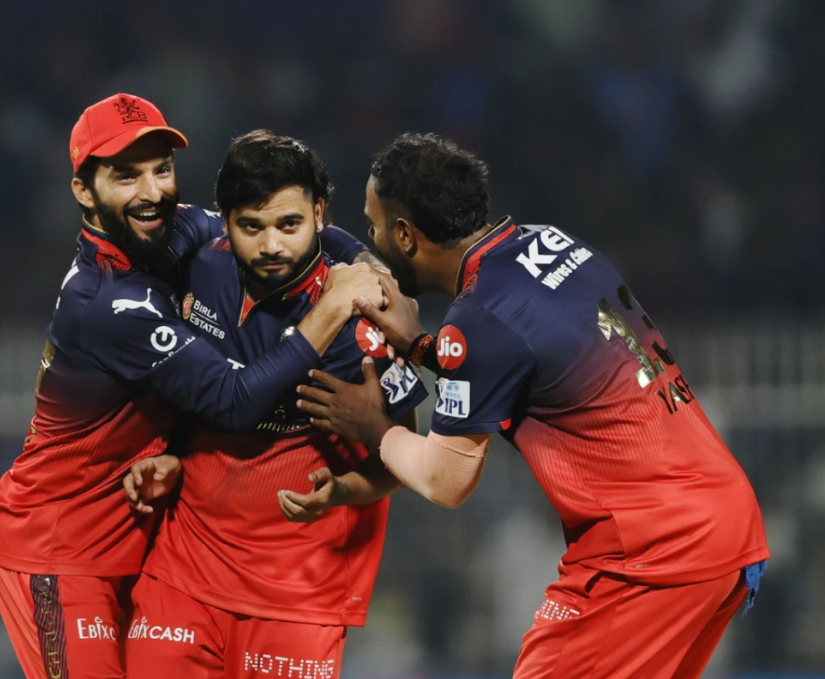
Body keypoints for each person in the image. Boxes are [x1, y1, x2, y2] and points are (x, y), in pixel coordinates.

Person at [294, 132, 770, 679]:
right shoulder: (550, 243)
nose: (372, 239)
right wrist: (423, 348)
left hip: (651, 552)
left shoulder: (477, 320)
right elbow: (529, 362)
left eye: (375, 225)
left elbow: (447, 481)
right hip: (722, 523)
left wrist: (374, 427)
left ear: (405, 235)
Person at [0, 94, 382, 679]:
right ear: (83, 192)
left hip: (135, 542)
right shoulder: (106, 302)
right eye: (126, 175)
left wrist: (368, 265)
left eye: (161, 169)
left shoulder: (172, 231)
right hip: (59, 549)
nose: (152, 191)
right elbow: (234, 401)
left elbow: (286, 222)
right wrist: (330, 309)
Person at [121, 130, 426, 679]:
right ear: (225, 221)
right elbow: (203, 391)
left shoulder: (366, 321)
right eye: (251, 227)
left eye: (290, 225)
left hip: (297, 596)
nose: (271, 246)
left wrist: (343, 490)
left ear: (319, 214)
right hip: (183, 576)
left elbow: (407, 462)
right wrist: (173, 452)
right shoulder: (199, 266)